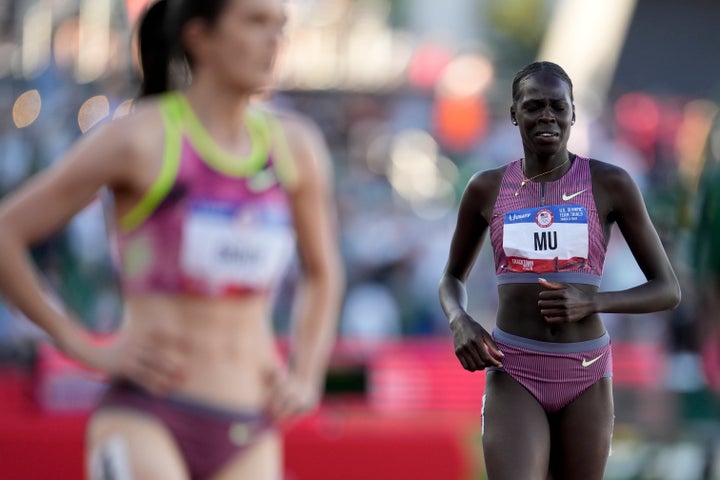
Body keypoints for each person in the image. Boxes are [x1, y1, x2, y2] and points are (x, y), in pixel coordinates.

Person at [0, 0, 344, 478]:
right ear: (200, 36)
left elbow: (323, 272)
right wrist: (82, 345)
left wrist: (308, 374)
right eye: (255, 22)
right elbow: (6, 234)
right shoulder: (139, 138)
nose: (274, 41)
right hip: (146, 414)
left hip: (249, 424)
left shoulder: (296, 146)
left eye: (279, 26)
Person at [438, 61, 681, 480]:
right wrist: (460, 320)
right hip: (513, 366)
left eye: (558, 106)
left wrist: (593, 301)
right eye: (534, 106)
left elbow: (667, 289)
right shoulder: (486, 187)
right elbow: (451, 279)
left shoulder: (610, 182)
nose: (547, 116)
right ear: (514, 113)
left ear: (573, 113)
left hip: (584, 372)